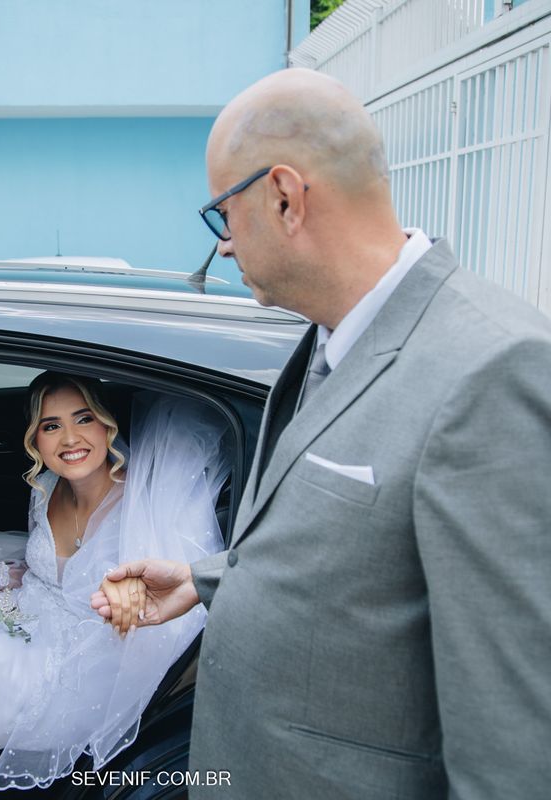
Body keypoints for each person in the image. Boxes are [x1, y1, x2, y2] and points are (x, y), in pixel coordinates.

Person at [92, 68, 551, 798]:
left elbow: (514, 749)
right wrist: (210, 582)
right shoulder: (331, 336)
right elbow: (358, 552)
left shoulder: (493, 370)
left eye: (221, 216)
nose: (224, 249)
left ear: (284, 197)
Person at [0, 371, 229, 791]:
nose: (69, 439)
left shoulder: (142, 505)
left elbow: (172, 585)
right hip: (28, 621)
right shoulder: (45, 488)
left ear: (107, 424)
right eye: (51, 426)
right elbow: (49, 574)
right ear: (35, 440)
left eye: (83, 419)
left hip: (87, 659)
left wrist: (132, 588)